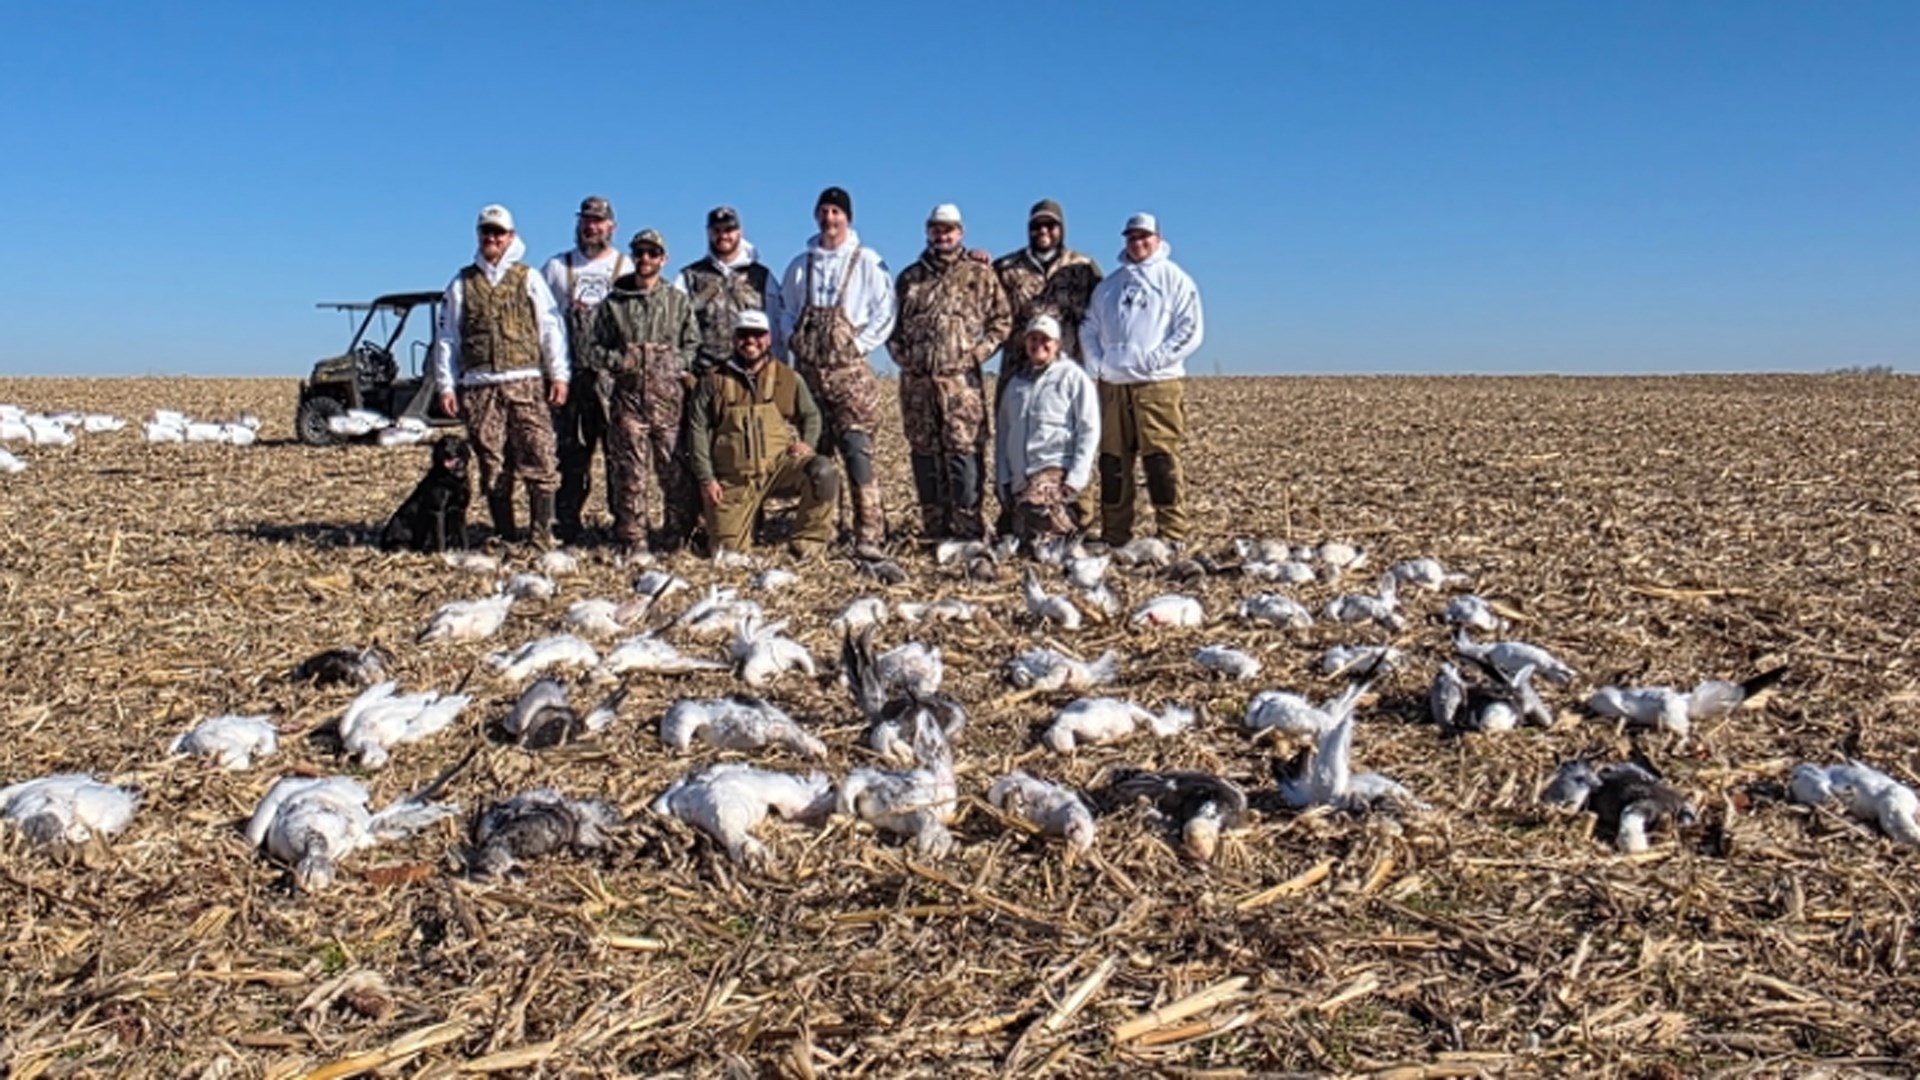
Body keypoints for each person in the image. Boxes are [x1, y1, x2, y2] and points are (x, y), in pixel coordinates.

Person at [431, 204, 569, 545]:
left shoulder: (529, 277)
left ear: (511, 237)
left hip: (525, 382)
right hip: (479, 387)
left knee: (539, 456)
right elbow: (448, 338)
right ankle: (506, 534)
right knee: (492, 464)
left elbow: (550, 328)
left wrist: (559, 374)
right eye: (486, 232)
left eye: (498, 232)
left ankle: (540, 536)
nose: (491, 238)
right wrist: (446, 385)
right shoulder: (461, 283)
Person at [780, 186, 895, 555]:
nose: (830, 219)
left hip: (850, 375)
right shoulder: (801, 265)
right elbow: (786, 310)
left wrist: (858, 346)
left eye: (836, 212)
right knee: (818, 452)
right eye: (824, 211)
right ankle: (824, 530)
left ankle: (870, 532)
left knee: (856, 447)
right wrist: (793, 340)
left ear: (848, 217)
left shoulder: (867, 261)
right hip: (810, 373)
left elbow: (886, 311)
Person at [1080, 212, 1204, 547]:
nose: (1138, 243)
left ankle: (1172, 533)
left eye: (1144, 237)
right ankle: (1115, 534)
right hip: (1113, 386)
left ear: (1158, 239)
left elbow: (1190, 330)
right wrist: (1099, 364)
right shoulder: (1109, 286)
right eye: (1132, 237)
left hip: (1157, 385)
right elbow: (1089, 327)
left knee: (1161, 460)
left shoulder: (1176, 280)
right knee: (1112, 462)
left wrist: (1155, 359)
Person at [889, 203, 1011, 540]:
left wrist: (976, 355)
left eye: (949, 229)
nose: (942, 234)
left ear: (961, 232)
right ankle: (935, 530)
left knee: (964, 454)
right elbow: (891, 328)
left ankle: (969, 532)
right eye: (936, 228)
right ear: (928, 231)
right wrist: (905, 360)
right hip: (917, 387)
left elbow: (1002, 321)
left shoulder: (979, 274)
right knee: (925, 456)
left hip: (961, 387)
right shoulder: (910, 278)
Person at [686, 310, 838, 557]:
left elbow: (812, 415)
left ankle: (808, 542)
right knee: (728, 554)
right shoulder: (712, 381)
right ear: (735, 338)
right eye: (744, 334)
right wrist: (707, 479)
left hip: (778, 468)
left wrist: (807, 444)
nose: (750, 341)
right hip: (733, 478)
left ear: (768, 338)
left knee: (822, 471)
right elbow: (697, 430)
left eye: (758, 335)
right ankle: (744, 524)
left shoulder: (788, 378)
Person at [586, 229, 700, 557]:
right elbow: (593, 347)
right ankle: (633, 540)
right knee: (630, 474)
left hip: (668, 403)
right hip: (629, 402)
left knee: (673, 471)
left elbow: (693, 343)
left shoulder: (676, 301)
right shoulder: (614, 303)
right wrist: (620, 360)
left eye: (652, 253)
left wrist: (676, 363)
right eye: (640, 253)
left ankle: (677, 537)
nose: (645, 259)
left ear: (663, 259)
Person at [992, 198, 1102, 529]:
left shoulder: (1082, 267)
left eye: (1050, 225)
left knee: (1070, 435)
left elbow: (1101, 314)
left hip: (1066, 371)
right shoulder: (1006, 268)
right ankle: (1012, 510)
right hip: (1018, 370)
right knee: (1013, 436)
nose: (1043, 231)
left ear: (1061, 229)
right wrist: (975, 258)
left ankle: (1078, 513)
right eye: (1037, 226)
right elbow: (981, 297)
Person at [541, 196, 634, 543]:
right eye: (586, 220)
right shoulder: (556, 267)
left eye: (598, 221)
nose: (591, 226)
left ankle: (620, 525)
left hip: (613, 382)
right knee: (571, 455)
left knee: (618, 455)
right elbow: (543, 324)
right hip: (572, 377)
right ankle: (566, 525)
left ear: (612, 226)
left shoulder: (626, 268)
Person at [995, 315, 1099, 547]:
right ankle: (1046, 533)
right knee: (1016, 534)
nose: (1038, 344)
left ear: (1057, 344)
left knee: (1035, 509)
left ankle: (1068, 530)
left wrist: (1077, 477)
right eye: (1033, 338)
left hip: (1055, 469)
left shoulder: (1073, 377)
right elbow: (1003, 435)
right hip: (1022, 476)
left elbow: (1089, 429)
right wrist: (1003, 477)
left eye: (1046, 339)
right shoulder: (1015, 385)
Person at [674, 205, 787, 372]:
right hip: (703, 376)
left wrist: (778, 368)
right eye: (717, 230)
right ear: (708, 233)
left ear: (739, 232)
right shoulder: (688, 277)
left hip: (751, 376)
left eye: (729, 230)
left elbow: (776, 327)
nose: (723, 235)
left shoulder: (762, 276)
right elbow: (676, 328)